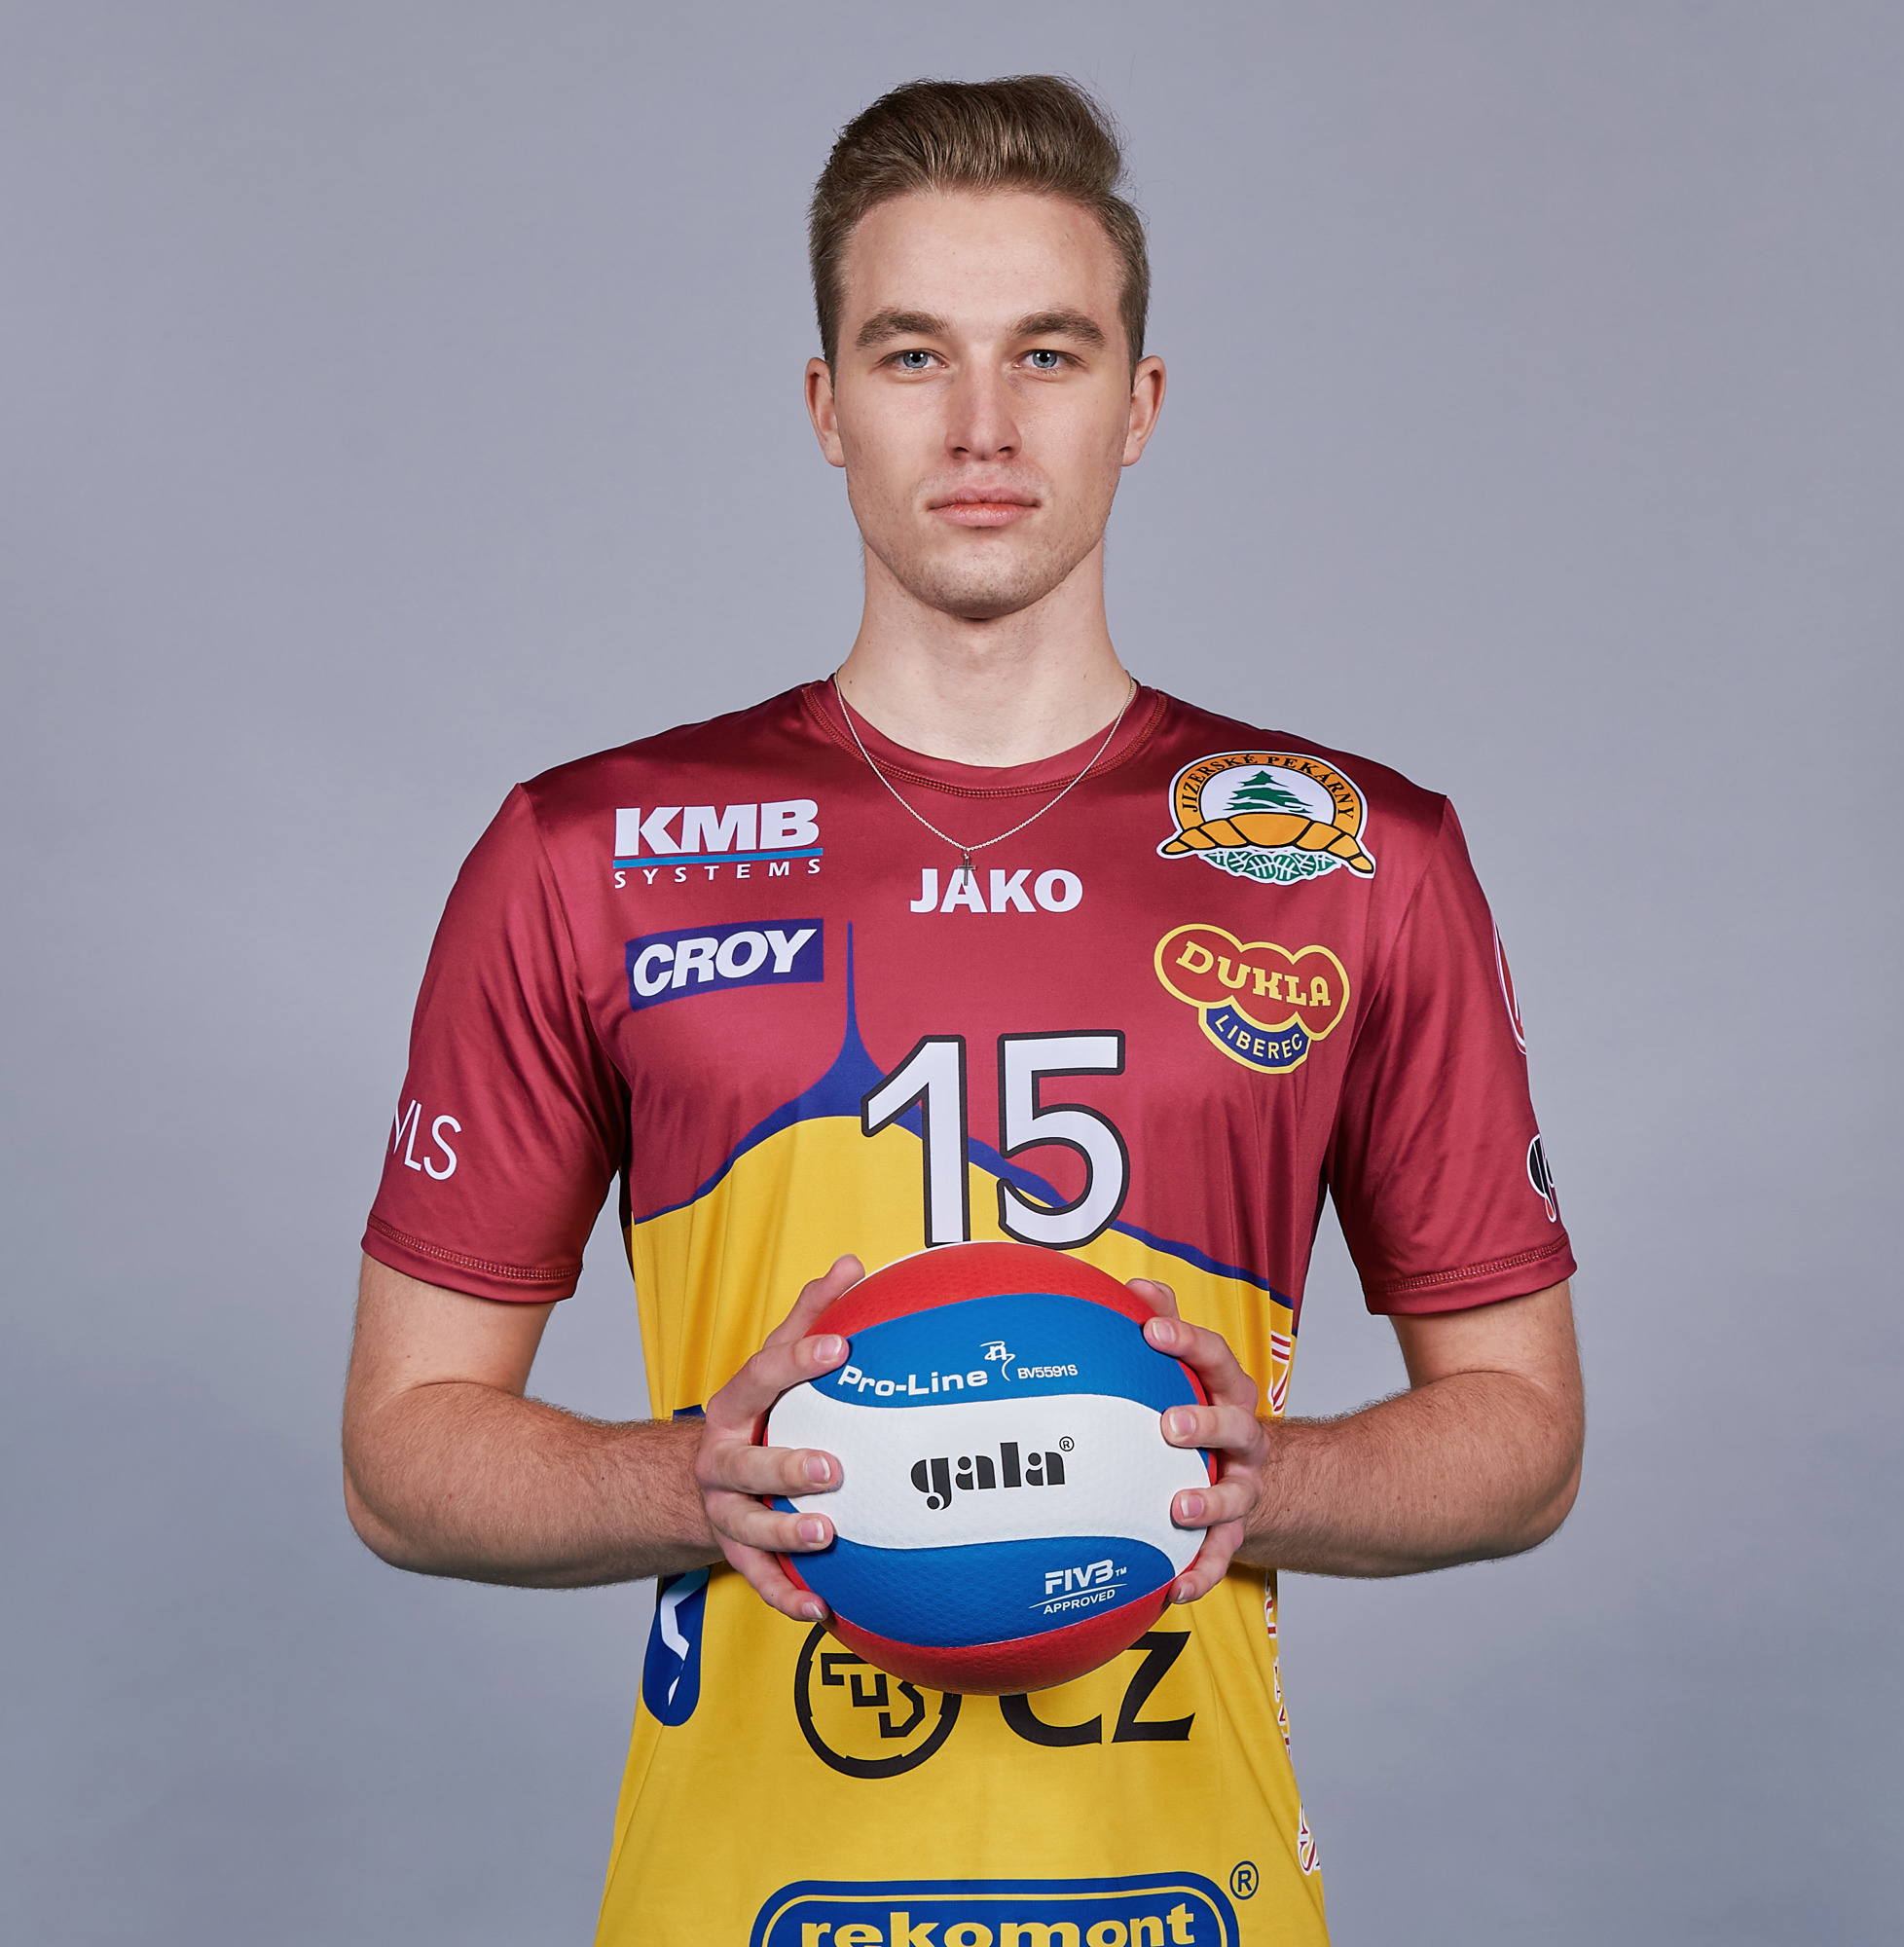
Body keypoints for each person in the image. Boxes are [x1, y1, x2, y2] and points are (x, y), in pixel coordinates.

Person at [343, 74, 1582, 1947]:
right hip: (741, 1902)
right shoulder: (589, 855)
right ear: (825, 405)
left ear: (1139, 405)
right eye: (913, 353)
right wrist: (692, 1482)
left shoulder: (1354, 856)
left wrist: (1280, 1477)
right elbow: (401, 1453)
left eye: (1048, 355)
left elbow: (1524, 1428)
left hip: (1192, 1899)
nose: (983, 424)